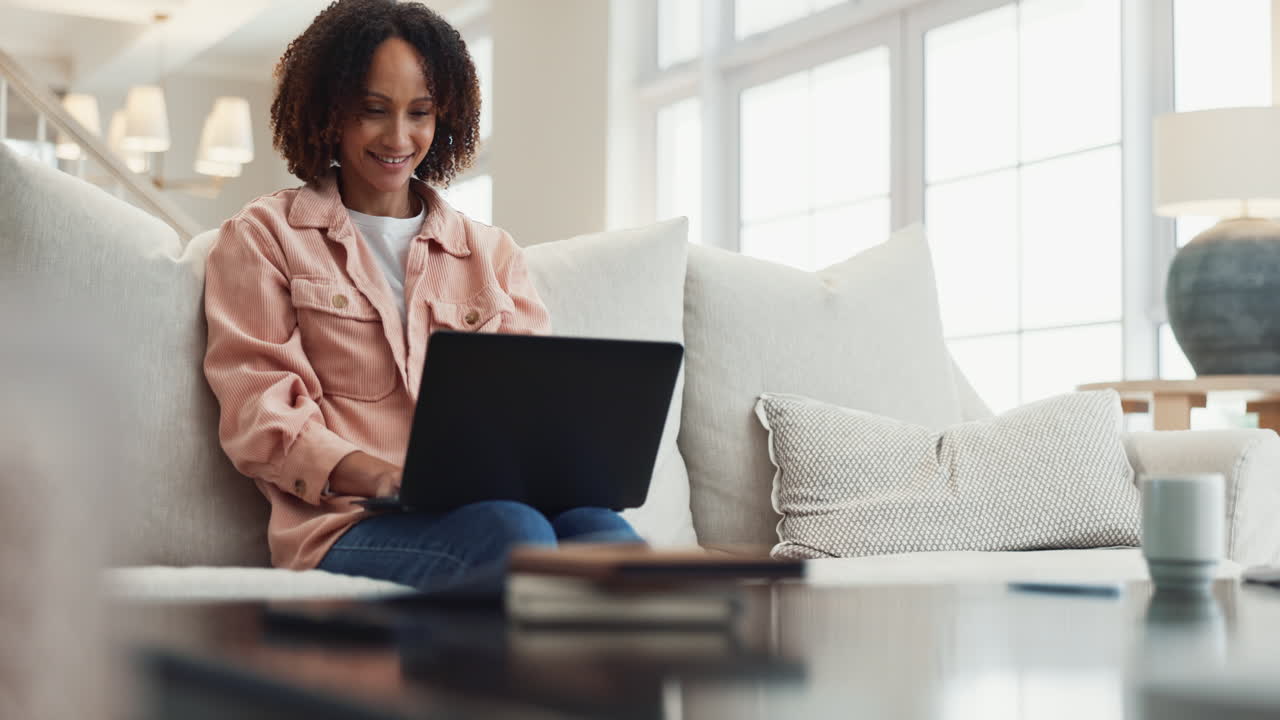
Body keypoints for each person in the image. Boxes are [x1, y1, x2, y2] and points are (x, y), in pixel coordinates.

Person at [202, 0, 641, 594]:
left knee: (608, 536)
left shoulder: (490, 255)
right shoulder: (264, 238)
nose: (399, 137)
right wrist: (385, 477)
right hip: (350, 523)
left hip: (491, 503)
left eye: (420, 113)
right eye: (373, 112)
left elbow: (539, 411)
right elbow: (261, 414)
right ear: (330, 112)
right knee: (515, 535)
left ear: (445, 117)